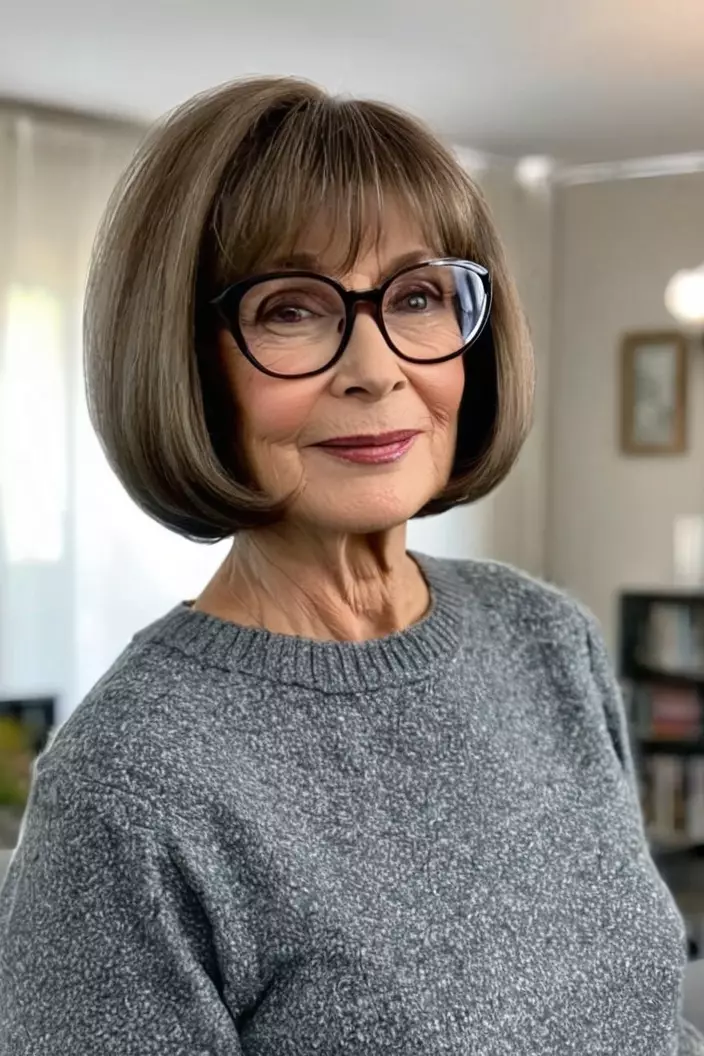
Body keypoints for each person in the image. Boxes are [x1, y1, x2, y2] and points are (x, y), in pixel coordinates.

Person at [0, 77, 702, 1056]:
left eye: (416, 296)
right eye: (292, 309)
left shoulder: (546, 639)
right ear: (188, 364)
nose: (375, 368)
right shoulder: (126, 784)